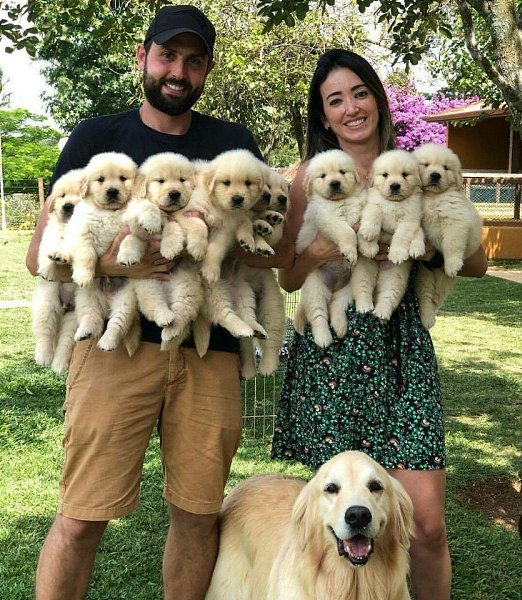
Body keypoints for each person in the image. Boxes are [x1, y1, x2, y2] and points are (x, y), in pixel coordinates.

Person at [26, 6, 288, 600]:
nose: (179, 71)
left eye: (194, 61)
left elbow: (270, 242)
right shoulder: (98, 139)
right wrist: (124, 262)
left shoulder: (232, 144)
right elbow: (41, 253)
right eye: (168, 56)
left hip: (210, 351)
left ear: (207, 71)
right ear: (143, 57)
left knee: (198, 515)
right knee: (82, 513)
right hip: (114, 351)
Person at [271, 49, 488, 600]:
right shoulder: (309, 179)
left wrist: (418, 245)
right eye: (335, 100)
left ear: (377, 97)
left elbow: (479, 259)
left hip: (400, 351)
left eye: (359, 93)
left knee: (427, 527)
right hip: (333, 356)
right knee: (342, 525)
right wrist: (326, 245)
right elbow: (291, 277)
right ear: (323, 116)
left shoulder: (416, 169)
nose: (350, 108)